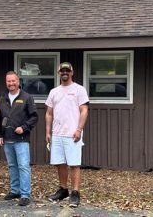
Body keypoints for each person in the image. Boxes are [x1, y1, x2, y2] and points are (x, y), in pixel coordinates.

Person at [45, 62, 89, 207]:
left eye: (67, 70)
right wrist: (48, 131)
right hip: (57, 134)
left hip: (72, 134)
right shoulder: (54, 92)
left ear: (72, 72)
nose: (65, 73)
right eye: (62, 71)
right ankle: (63, 190)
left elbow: (84, 110)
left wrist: (79, 129)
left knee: (74, 164)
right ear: (59, 73)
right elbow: (49, 113)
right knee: (60, 163)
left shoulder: (79, 90)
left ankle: (75, 193)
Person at [0, 71, 38, 206]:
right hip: (7, 139)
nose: (11, 83)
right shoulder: (2, 98)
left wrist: (24, 127)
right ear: (6, 82)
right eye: (9, 81)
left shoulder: (26, 97)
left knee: (23, 166)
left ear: (18, 81)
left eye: (13, 81)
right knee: (12, 166)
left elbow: (34, 117)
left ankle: (25, 194)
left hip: (21, 139)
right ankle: (15, 190)